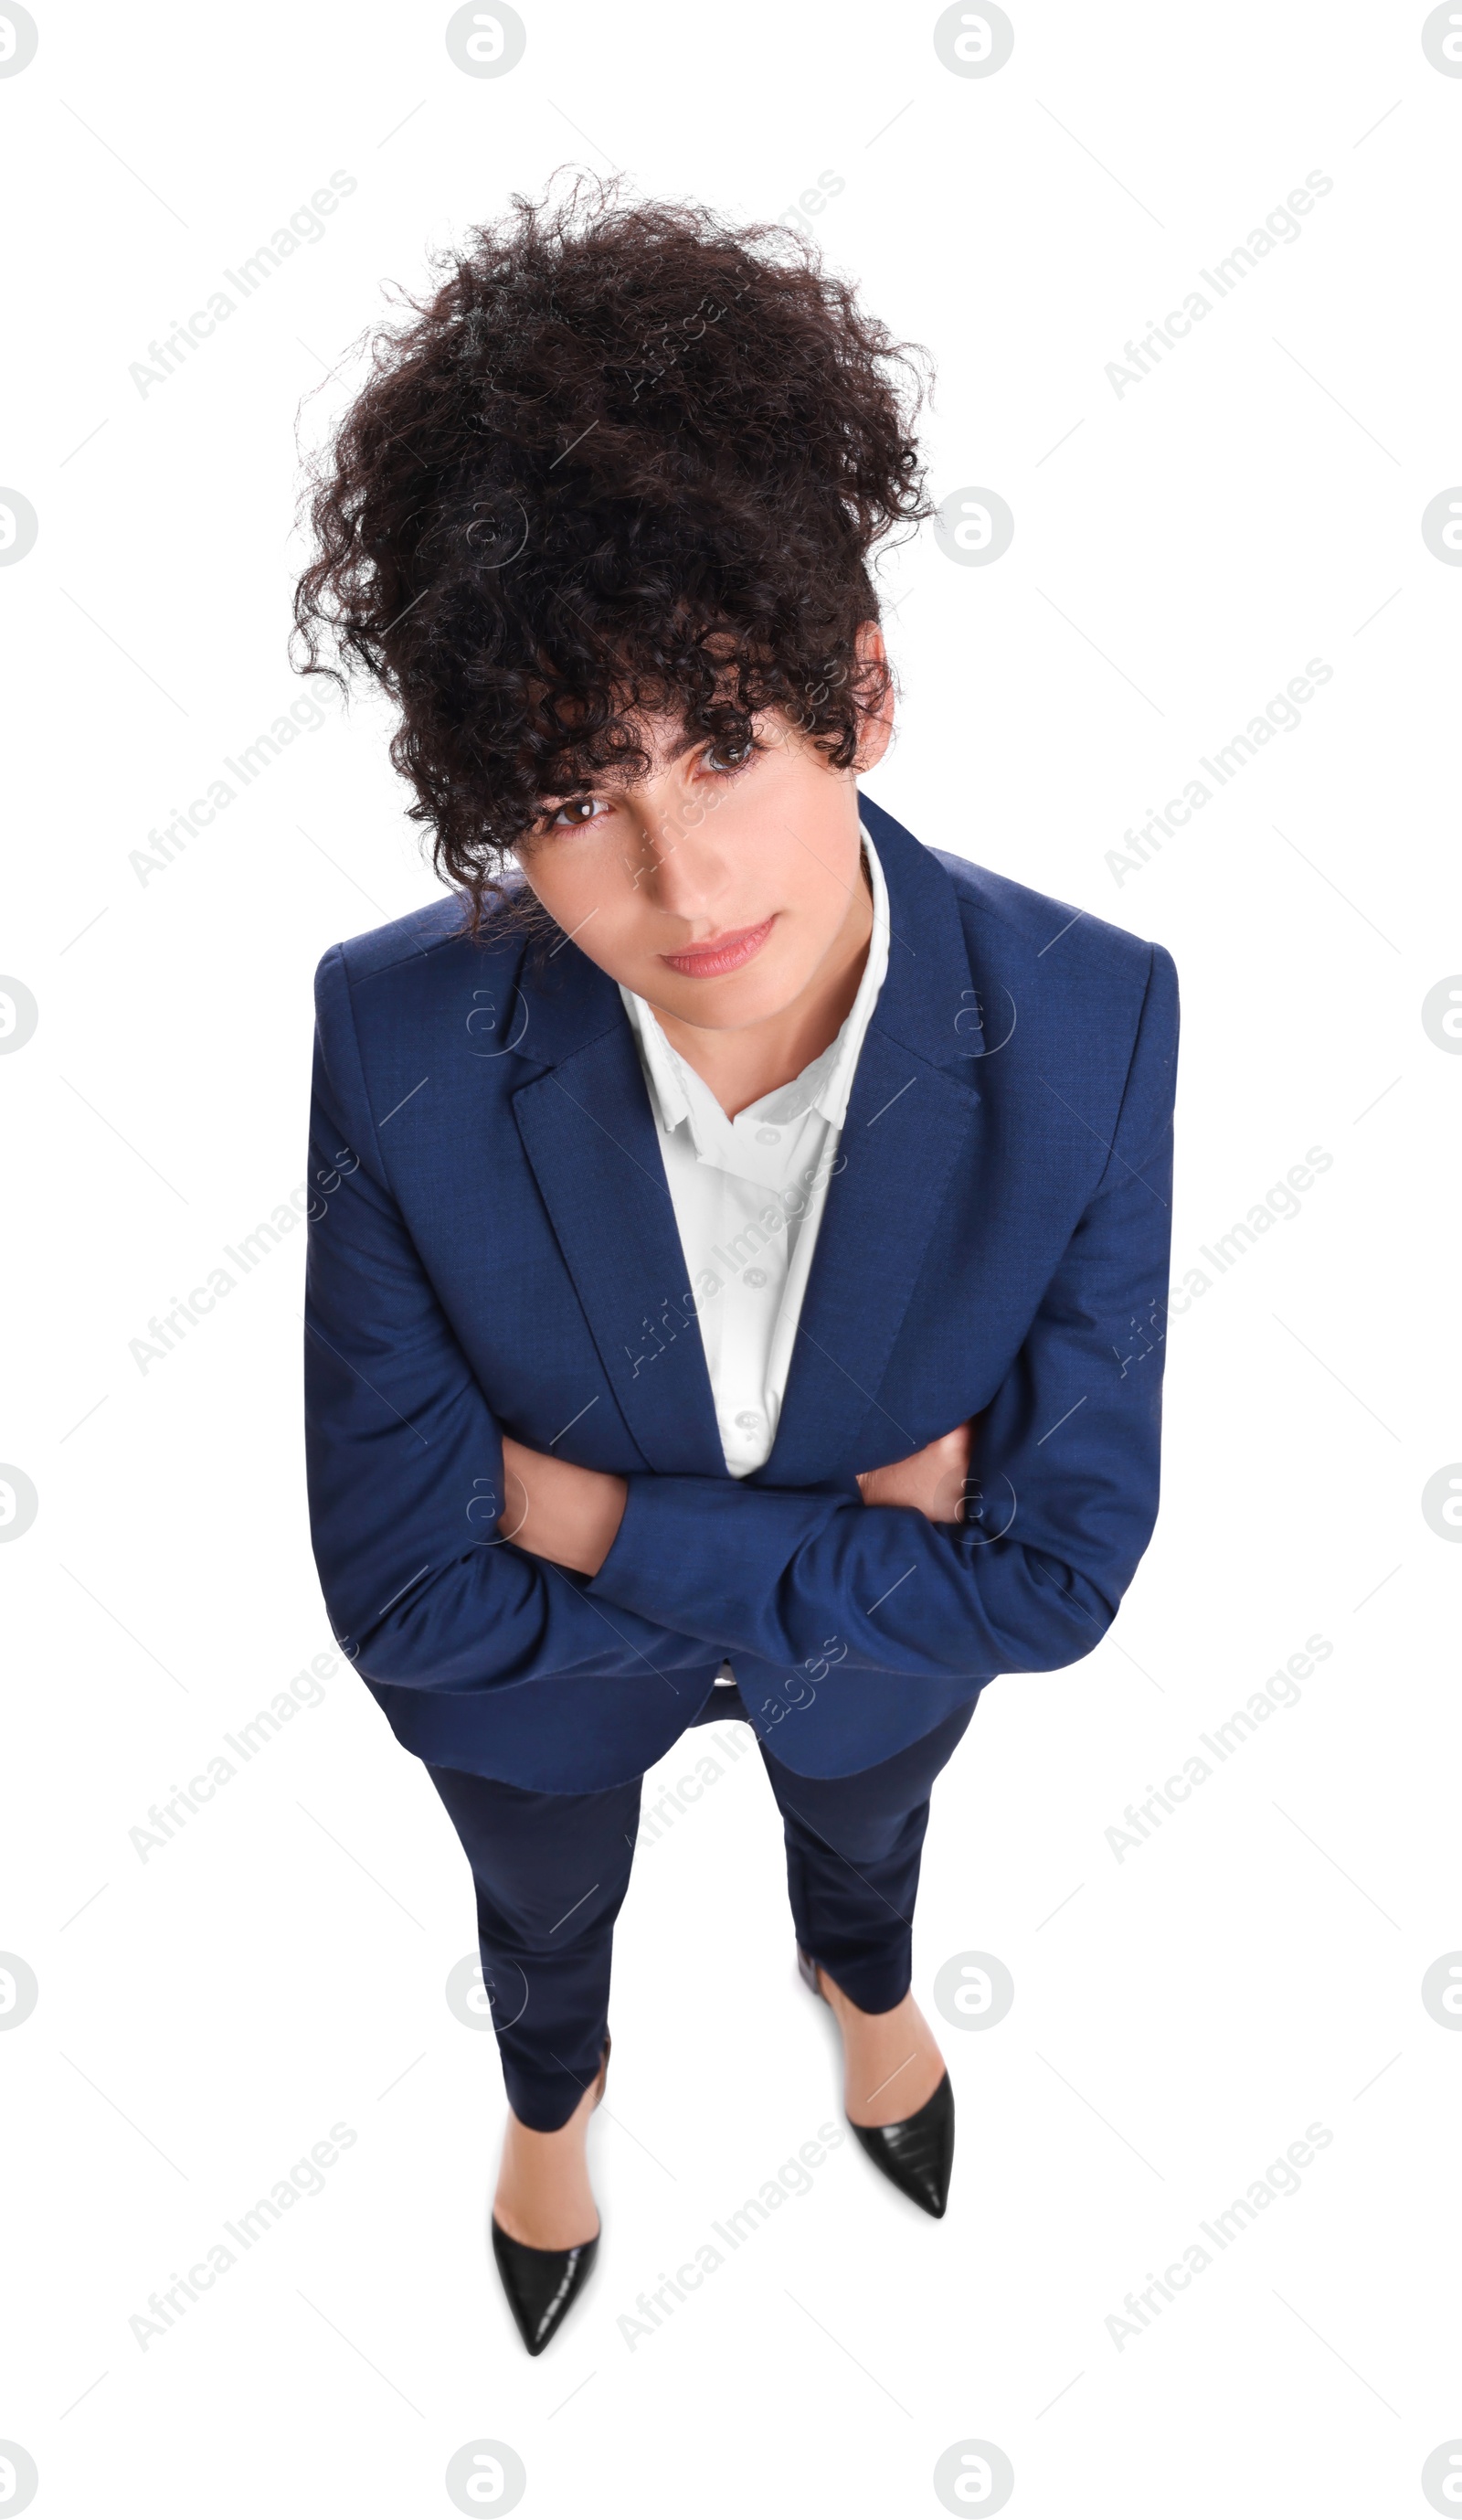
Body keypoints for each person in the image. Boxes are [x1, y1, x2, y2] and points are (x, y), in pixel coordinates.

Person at [292, 177, 1179, 2356]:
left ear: (855, 693)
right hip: (528, 1689)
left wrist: (590, 1516)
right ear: (496, 807)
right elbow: (407, 1591)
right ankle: (548, 2108)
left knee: (864, 1822)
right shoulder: (388, 1031)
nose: (679, 874)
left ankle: (858, 1986)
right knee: (539, 1895)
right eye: (578, 792)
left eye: (719, 744)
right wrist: (849, 1537)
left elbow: (1054, 1581)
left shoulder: (1096, 1020)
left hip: (830, 1671)